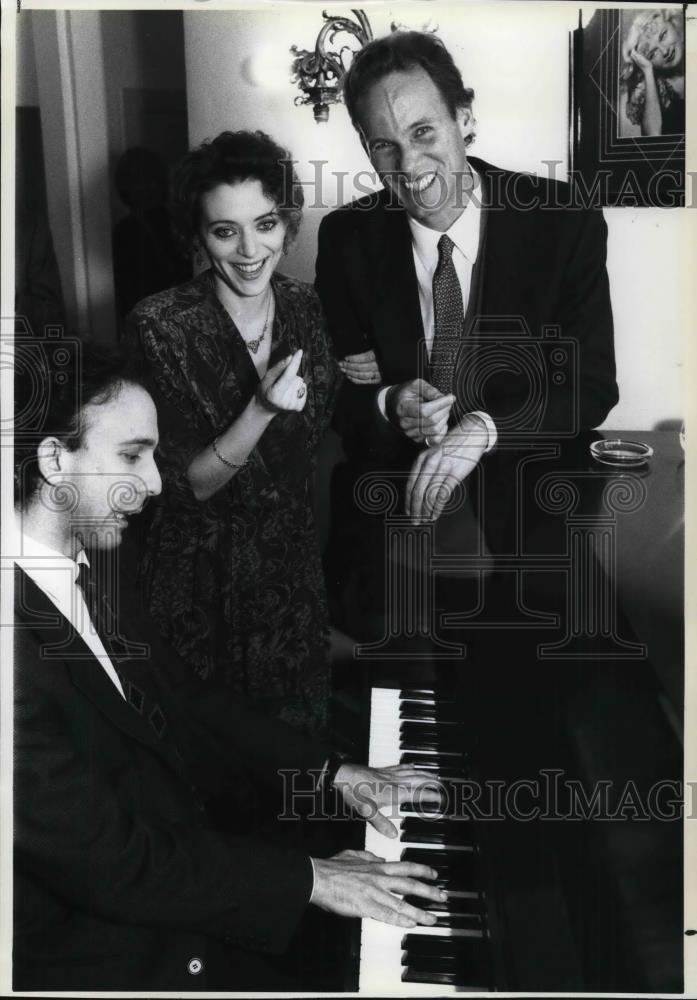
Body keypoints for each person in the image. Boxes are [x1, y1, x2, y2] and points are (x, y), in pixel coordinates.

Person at [11, 341, 447, 992]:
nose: (156, 483)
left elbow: (184, 698)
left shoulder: (93, 555)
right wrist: (313, 878)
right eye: (132, 456)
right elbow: (110, 857)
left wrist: (334, 772)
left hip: (174, 860)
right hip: (93, 945)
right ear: (53, 459)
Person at [315, 31, 619, 629]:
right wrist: (386, 400)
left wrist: (482, 429)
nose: (408, 166)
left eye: (423, 132)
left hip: (531, 511)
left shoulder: (563, 221)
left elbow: (590, 386)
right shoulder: (346, 238)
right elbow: (333, 396)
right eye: (384, 145)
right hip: (393, 517)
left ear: (464, 117)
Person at [126, 130, 356, 732]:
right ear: (198, 236)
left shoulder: (307, 308)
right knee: (212, 768)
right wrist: (260, 409)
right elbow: (188, 486)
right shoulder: (160, 328)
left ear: (287, 223)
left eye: (267, 224)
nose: (250, 249)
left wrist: (385, 393)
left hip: (290, 578)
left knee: (298, 764)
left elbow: (327, 422)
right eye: (225, 231)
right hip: (198, 587)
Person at [112, 147, 191, 327]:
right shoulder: (126, 230)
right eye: (136, 182)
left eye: (149, 181)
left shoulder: (176, 219)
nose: (144, 188)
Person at [620, 9, 685, 137]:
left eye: (663, 35)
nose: (665, 51)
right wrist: (647, 70)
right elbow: (653, 135)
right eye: (652, 53)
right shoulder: (649, 90)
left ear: (672, 22)